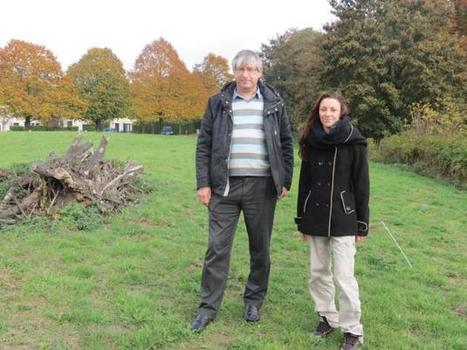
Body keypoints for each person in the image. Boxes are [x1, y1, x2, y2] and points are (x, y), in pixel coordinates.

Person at [191, 50, 294, 333]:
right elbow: (204, 146)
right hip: (223, 187)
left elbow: (286, 143)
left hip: (262, 187)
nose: (246, 75)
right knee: (216, 249)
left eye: (251, 69)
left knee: (260, 248)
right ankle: (208, 308)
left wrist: (285, 179)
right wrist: (203, 183)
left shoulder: (274, 103)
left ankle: (253, 301)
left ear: (260, 73)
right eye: (241, 69)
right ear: (234, 73)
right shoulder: (218, 103)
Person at [295, 91, 369, 350]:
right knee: (318, 272)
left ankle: (352, 331)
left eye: (332, 110)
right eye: (323, 109)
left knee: (344, 277)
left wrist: (363, 223)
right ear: (318, 112)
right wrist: (301, 219)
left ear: (341, 113)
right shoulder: (311, 140)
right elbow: (305, 182)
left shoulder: (354, 141)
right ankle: (327, 317)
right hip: (314, 216)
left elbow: (361, 184)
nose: (327, 114)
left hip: (344, 218)